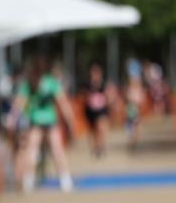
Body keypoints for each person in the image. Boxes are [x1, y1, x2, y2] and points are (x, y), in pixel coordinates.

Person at [6, 56, 76, 193]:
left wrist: (70, 120)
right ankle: (29, 181)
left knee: (57, 150)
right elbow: (19, 104)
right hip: (36, 123)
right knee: (32, 150)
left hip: (50, 122)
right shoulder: (28, 85)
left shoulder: (51, 83)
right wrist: (12, 119)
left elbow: (62, 102)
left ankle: (65, 180)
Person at [83, 63, 116, 158]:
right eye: (93, 73)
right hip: (91, 111)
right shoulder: (88, 85)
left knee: (101, 128)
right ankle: (95, 147)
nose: (94, 75)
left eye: (96, 73)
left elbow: (110, 96)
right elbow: (84, 97)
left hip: (102, 110)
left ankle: (101, 146)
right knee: (93, 131)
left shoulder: (104, 84)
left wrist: (110, 103)